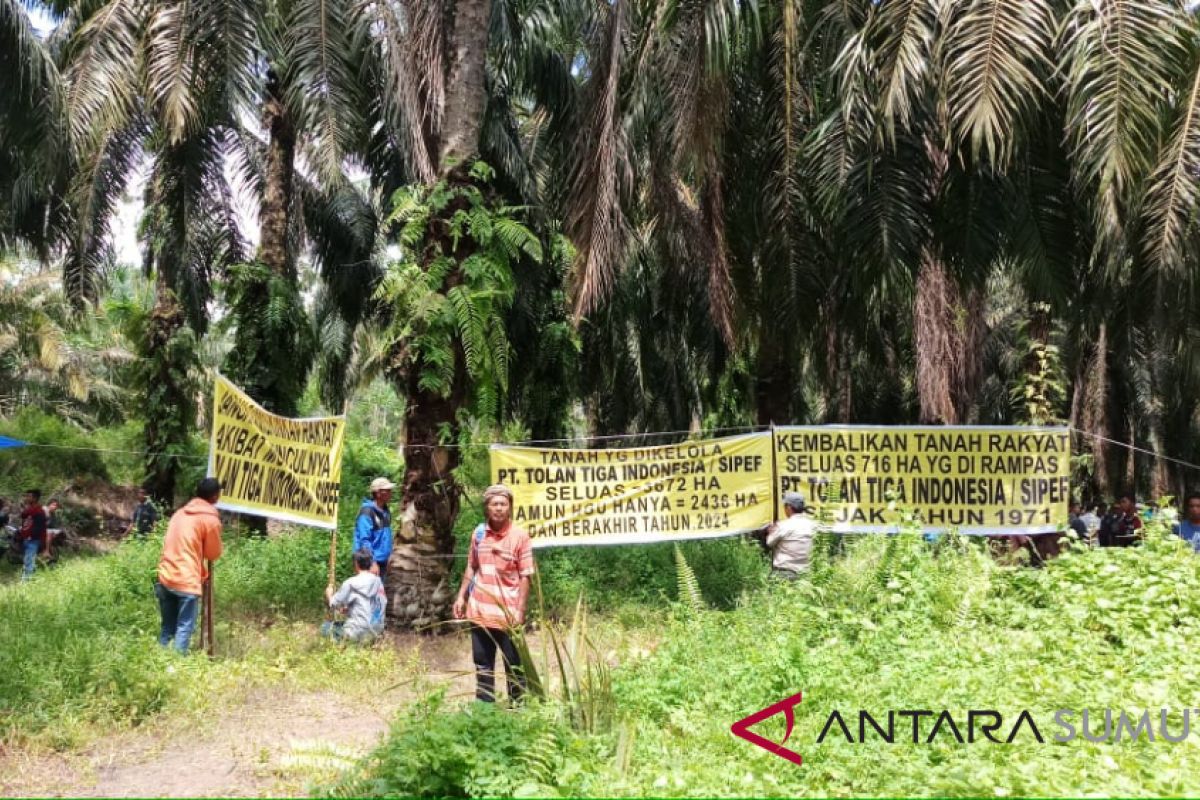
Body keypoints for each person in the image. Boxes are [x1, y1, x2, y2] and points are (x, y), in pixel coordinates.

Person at [452, 484, 535, 703]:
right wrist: (461, 596)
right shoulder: (479, 535)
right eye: (494, 504)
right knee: (483, 665)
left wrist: (520, 610)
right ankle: (485, 712)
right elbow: (472, 566)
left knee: (514, 666)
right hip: (479, 612)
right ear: (487, 508)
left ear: (510, 508)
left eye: (503, 504)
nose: (498, 508)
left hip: (507, 615)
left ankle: (517, 709)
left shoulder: (520, 537)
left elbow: (526, 575)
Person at [155, 478, 224, 653]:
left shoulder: (179, 513)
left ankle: (158, 664)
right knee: (184, 627)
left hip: (165, 576)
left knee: (167, 628)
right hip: (186, 581)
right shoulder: (210, 519)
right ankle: (177, 670)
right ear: (216, 496)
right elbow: (213, 554)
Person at [322, 547, 387, 642]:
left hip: (358, 631)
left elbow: (333, 604)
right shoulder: (378, 582)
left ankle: (347, 643)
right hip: (377, 630)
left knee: (325, 628)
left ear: (356, 563)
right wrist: (349, 609)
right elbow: (378, 603)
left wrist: (329, 594)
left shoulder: (351, 583)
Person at [766, 492, 818, 579]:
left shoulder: (783, 526)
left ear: (789, 507)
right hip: (807, 574)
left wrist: (771, 532)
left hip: (785, 574)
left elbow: (769, 543)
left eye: (785, 506)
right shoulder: (813, 525)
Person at [354, 477, 395, 579]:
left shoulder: (385, 511)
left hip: (382, 560)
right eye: (387, 490)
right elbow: (365, 540)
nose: (391, 493)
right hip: (367, 561)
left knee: (379, 591)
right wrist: (371, 562)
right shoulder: (367, 512)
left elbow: (386, 535)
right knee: (368, 591)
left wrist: (388, 557)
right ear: (378, 493)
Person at [17, 490, 48, 580]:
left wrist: (30, 536)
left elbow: (40, 527)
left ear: (35, 498)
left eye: (29, 496)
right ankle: (32, 578)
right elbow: (23, 516)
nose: (26, 498)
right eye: (26, 496)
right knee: (28, 561)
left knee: (28, 561)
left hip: (33, 540)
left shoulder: (39, 511)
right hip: (27, 539)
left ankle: (25, 583)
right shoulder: (30, 510)